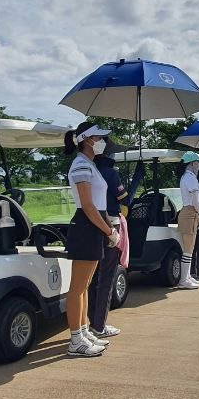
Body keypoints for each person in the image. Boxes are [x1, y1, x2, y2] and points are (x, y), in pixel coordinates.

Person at [63, 122, 116, 357]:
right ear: (87, 140)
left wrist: (106, 228)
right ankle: (75, 340)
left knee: (85, 286)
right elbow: (87, 205)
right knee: (78, 288)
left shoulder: (88, 164)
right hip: (87, 226)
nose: (103, 141)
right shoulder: (81, 164)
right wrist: (108, 230)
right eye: (99, 137)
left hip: (92, 226)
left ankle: (83, 331)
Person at [88, 144, 144, 340]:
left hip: (93, 225)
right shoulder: (110, 173)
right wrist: (136, 179)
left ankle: (90, 322)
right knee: (107, 278)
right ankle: (99, 325)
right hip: (111, 224)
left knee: (93, 278)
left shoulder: (91, 169)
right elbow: (125, 200)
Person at [175, 151, 199, 289]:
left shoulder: (186, 177)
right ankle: (184, 279)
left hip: (187, 212)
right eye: (198, 163)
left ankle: (186, 277)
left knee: (189, 248)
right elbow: (195, 200)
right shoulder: (190, 177)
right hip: (190, 212)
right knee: (188, 248)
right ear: (192, 163)